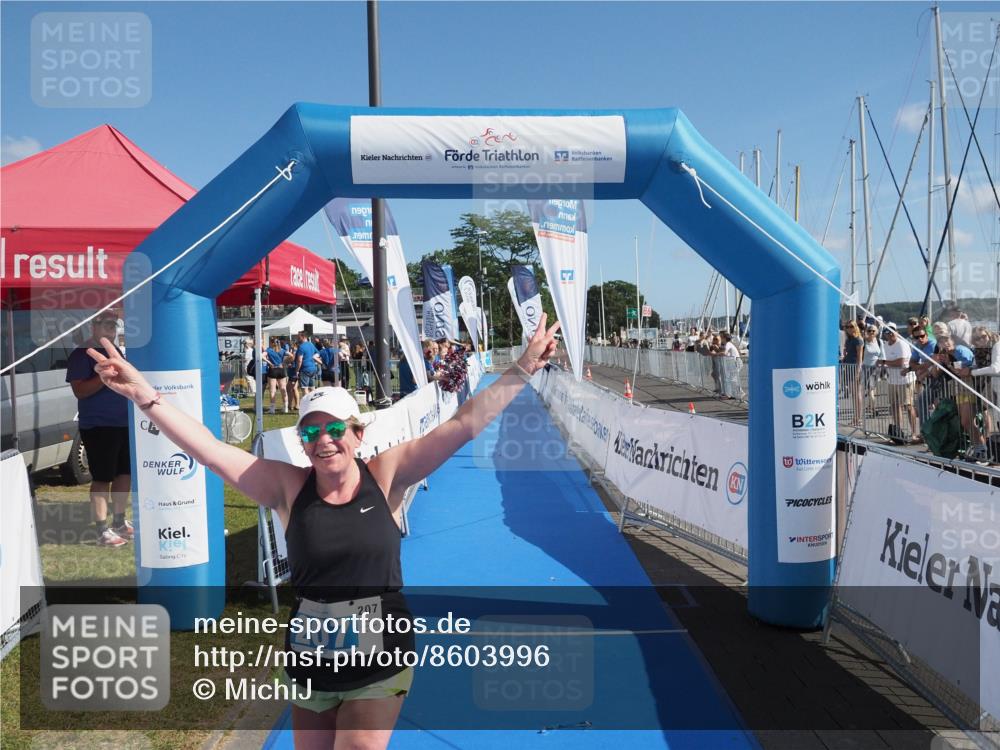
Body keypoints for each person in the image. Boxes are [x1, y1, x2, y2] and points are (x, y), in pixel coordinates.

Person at [84, 312, 561, 749]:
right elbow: (209, 450)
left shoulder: (386, 475)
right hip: (311, 652)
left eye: (334, 429)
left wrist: (522, 367)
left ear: (358, 433)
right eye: (310, 433)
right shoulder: (287, 487)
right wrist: (143, 395)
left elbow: (461, 424)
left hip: (382, 649)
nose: (324, 441)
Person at [66, 314, 134, 548]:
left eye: (113, 325)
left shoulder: (115, 350)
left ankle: (118, 521)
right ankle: (101, 530)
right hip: (98, 425)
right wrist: (103, 376)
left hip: (123, 423)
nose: (111, 330)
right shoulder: (81, 354)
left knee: (125, 475)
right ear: (93, 326)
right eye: (105, 325)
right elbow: (80, 391)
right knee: (103, 478)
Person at [878, 323, 921, 443]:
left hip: (905, 379)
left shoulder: (902, 343)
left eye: (893, 331)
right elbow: (882, 361)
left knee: (908, 406)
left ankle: (913, 433)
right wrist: (883, 362)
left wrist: (885, 362)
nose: (891, 334)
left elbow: (901, 363)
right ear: (885, 334)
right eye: (888, 332)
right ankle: (898, 432)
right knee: (894, 406)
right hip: (892, 380)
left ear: (896, 331)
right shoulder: (886, 344)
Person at [296, 331, 322, 396]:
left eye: (299, 337)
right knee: (312, 387)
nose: (297, 338)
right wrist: (314, 357)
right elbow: (318, 353)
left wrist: (297, 370)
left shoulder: (301, 347)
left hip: (304, 369)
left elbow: (299, 360)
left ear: (303, 337)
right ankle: (313, 404)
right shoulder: (311, 344)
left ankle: (307, 404)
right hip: (313, 368)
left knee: (305, 389)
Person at [266, 337, 288, 414]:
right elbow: (292, 355)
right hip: (281, 370)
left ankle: (272, 409)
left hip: (273, 370)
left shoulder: (269, 350)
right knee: (283, 389)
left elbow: (261, 356)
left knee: (272, 390)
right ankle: (285, 408)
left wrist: (269, 362)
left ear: (272, 343)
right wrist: (284, 363)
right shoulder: (282, 350)